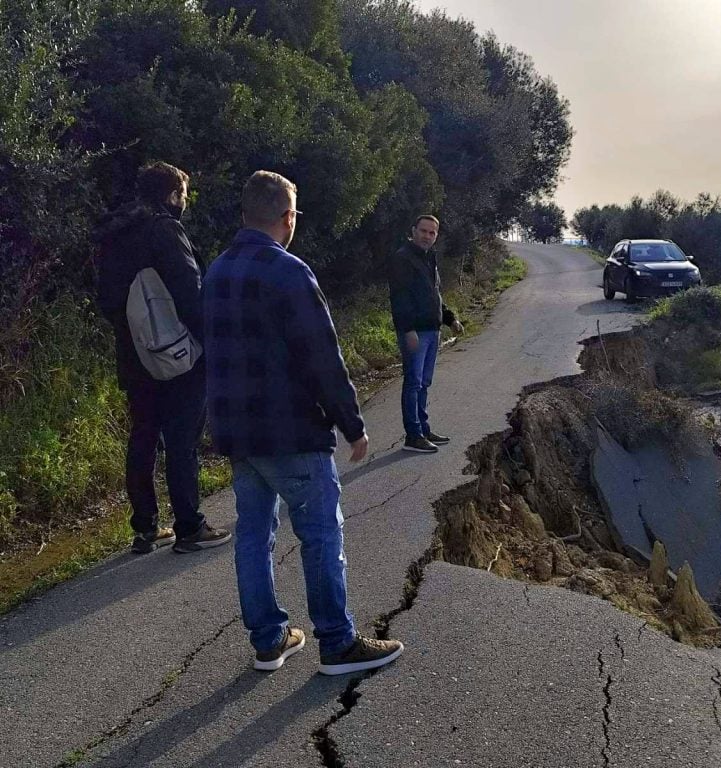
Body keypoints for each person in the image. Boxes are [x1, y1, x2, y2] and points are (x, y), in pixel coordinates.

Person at [202, 170, 404, 674]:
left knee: (254, 534)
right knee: (320, 534)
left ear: (246, 214)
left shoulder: (216, 272)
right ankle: (337, 643)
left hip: (238, 432)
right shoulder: (289, 272)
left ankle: (270, 639)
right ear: (287, 217)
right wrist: (351, 424)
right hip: (290, 430)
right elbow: (322, 358)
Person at [94, 161, 232, 555]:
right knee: (182, 438)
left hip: (134, 353)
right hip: (179, 355)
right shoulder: (165, 230)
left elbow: (106, 299)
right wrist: (210, 343)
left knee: (142, 436)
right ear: (173, 195)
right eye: (183, 196)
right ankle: (189, 526)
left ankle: (145, 528)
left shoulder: (114, 235)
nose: (183, 203)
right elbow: (190, 294)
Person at [386, 215, 463, 453]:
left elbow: (434, 295)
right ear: (413, 231)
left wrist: (450, 319)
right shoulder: (402, 259)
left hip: (433, 330)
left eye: (432, 233)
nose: (427, 236)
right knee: (413, 383)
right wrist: (407, 330)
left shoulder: (430, 258)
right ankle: (413, 436)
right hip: (415, 332)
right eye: (423, 231)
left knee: (424, 383)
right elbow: (399, 298)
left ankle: (424, 429)